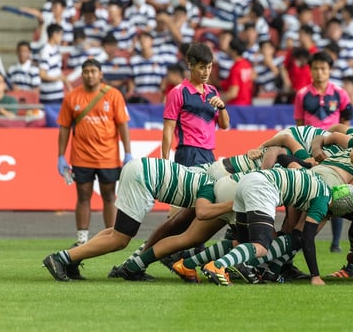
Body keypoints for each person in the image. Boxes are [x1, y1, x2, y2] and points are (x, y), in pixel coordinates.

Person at [42, 157, 224, 281]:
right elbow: (202, 213)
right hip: (142, 178)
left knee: (116, 232)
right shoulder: (211, 188)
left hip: (140, 169)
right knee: (119, 240)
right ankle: (60, 258)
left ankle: (71, 260)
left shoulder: (209, 172)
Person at [200, 167, 353, 286]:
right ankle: (218, 265)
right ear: (341, 208)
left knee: (244, 242)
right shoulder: (323, 201)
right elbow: (307, 238)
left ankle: (187, 264)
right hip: (263, 188)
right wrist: (315, 276)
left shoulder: (319, 184)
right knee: (262, 246)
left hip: (248, 181)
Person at [56, 58, 132, 245]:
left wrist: (127, 153)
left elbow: (123, 125)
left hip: (108, 156)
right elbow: (64, 128)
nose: (90, 75)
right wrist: (60, 156)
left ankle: (112, 237)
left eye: (93, 71)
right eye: (86, 71)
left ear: (100, 74)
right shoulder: (71, 97)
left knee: (109, 196)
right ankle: (82, 239)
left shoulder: (113, 95)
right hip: (81, 156)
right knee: (83, 196)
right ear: (82, 75)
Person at [293, 50, 353, 252]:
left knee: (335, 191)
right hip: (310, 145)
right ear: (310, 70)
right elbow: (299, 124)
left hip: (333, 147)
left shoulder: (340, 94)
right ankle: (301, 234)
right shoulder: (302, 95)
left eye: (323, 69)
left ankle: (335, 243)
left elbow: (346, 123)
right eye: (316, 68)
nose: (319, 72)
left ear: (330, 70)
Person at [162, 43, 229, 167]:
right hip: (188, 152)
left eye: (209, 67)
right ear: (190, 65)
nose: (206, 72)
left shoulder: (213, 92)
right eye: (202, 67)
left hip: (209, 153)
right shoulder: (178, 92)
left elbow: (224, 125)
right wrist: (165, 163)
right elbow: (168, 129)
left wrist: (222, 108)